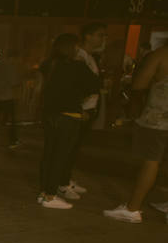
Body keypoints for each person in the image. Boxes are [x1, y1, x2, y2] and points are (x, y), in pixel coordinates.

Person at [103, 45, 168, 222]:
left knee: (151, 162)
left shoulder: (162, 54)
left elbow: (139, 84)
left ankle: (133, 208)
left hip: (159, 119)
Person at [37, 34, 99, 209]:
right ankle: (50, 195)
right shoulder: (77, 67)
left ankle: (44, 192)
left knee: (49, 153)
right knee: (61, 155)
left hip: (50, 114)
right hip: (69, 115)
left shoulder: (48, 65)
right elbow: (94, 85)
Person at [62, 22, 107, 198]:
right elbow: (78, 84)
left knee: (74, 146)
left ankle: (66, 178)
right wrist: (81, 108)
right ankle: (62, 182)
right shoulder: (80, 56)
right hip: (80, 108)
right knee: (68, 146)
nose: (103, 39)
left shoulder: (91, 57)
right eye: (100, 35)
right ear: (88, 36)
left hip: (88, 107)